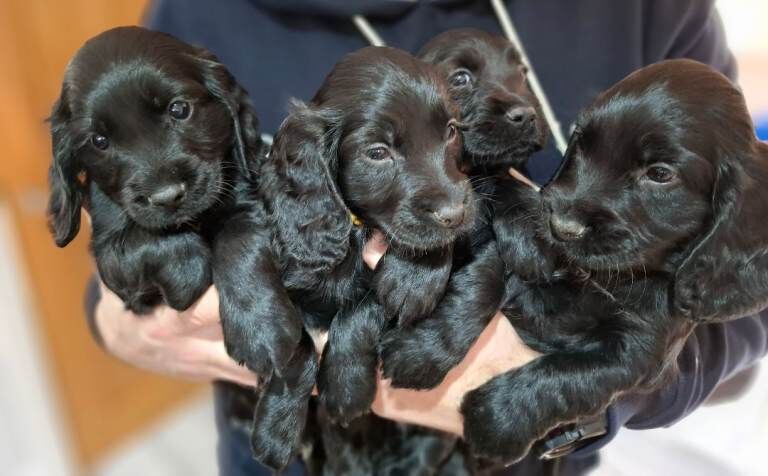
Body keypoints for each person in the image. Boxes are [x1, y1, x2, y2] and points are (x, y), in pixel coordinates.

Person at [86, 1, 768, 475]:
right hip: (296, 450)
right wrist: (120, 319)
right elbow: (126, 248)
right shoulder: (195, 19)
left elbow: (744, 293)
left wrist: (582, 395)